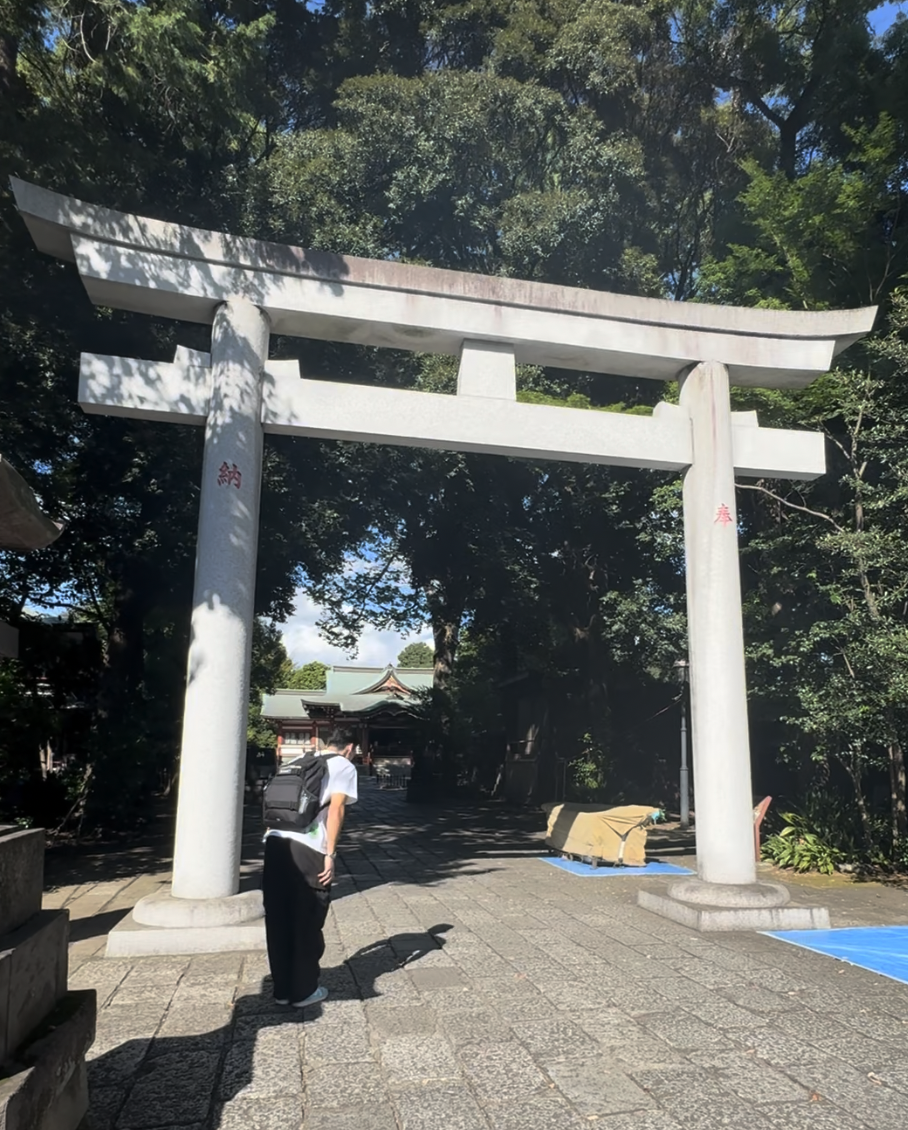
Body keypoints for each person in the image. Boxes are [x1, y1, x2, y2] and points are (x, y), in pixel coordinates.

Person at [262, 726, 358, 1007]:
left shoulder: (297, 761)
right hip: (308, 847)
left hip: (275, 842)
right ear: (350, 748)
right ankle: (303, 991)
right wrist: (331, 853)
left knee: (278, 916)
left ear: (325, 743)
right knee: (307, 915)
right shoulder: (343, 766)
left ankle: (282, 990)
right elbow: (337, 809)